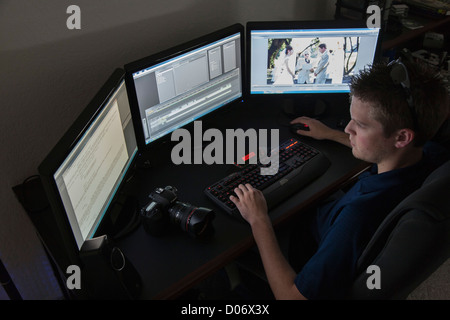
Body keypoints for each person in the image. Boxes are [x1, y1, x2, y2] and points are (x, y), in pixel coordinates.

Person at [229, 60, 449, 299]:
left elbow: (293, 297)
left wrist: (259, 219)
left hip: (305, 249)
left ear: (402, 137)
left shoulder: (358, 216)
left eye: (361, 126)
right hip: (329, 219)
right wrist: (329, 134)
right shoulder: (432, 156)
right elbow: (385, 148)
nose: (348, 129)